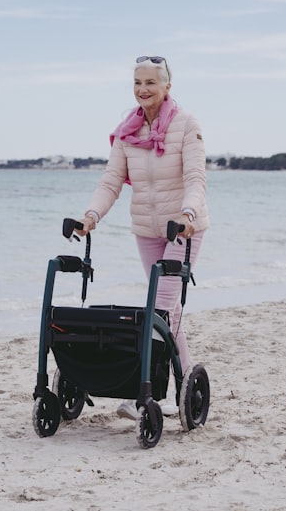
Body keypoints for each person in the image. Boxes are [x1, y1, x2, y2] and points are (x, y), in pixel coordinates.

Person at [73, 55, 209, 419]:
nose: (143, 89)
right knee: (166, 312)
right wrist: (91, 216)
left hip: (181, 229)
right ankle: (183, 385)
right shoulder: (127, 132)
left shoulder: (186, 124)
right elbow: (111, 181)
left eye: (151, 82)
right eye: (137, 83)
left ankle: (145, 392)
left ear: (167, 86)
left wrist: (188, 214)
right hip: (147, 231)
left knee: (160, 308)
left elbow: (196, 179)